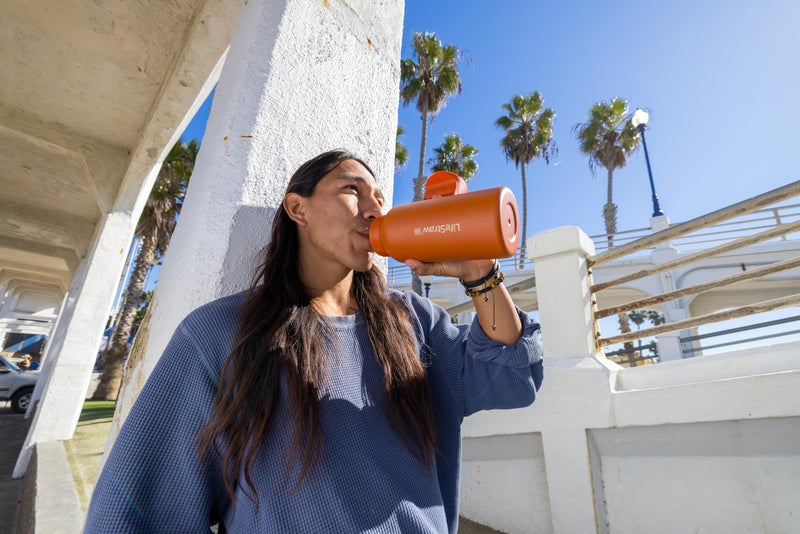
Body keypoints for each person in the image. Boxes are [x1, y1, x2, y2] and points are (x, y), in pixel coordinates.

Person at [84, 149, 544, 533]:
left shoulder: (413, 322)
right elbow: (135, 510)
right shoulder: (220, 334)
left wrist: (479, 274)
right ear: (297, 208)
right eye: (351, 190)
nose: (373, 209)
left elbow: (510, 377)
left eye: (379, 198)